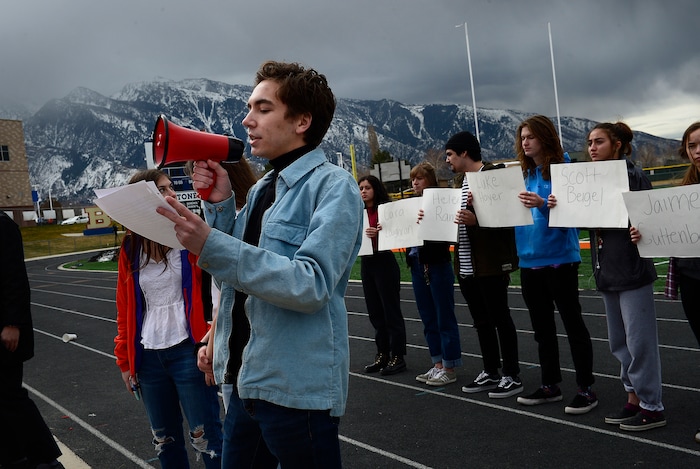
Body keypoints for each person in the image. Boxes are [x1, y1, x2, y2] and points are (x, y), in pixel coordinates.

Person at [157, 61, 363, 468]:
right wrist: (219, 207)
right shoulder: (264, 188)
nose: (247, 120)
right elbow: (235, 272)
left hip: (296, 391)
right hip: (247, 381)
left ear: (302, 120)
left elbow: (311, 285)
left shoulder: (335, 187)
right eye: (250, 107)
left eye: (263, 109)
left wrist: (211, 242)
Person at [114, 169, 223, 468]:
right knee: (165, 443)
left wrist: (211, 345)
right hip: (148, 358)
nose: (172, 194)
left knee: (208, 439)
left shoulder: (190, 239)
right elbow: (125, 310)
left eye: (171, 187)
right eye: (163, 189)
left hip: (189, 351)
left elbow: (216, 295)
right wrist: (125, 361)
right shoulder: (131, 248)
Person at [512, 115, 597, 415]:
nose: (525, 142)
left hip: (560, 259)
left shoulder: (565, 170)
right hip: (529, 261)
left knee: (573, 325)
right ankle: (550, 384)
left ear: (545, 137)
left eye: (531, 136)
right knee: (542, 329)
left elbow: (575, 214)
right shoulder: (522, 175)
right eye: (522, 137)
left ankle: (586, 388)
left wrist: (543, 205)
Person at [585, 121, 664, 431]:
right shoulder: (588, 181)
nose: (592, 147)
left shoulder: (635, 177)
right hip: (608, 271)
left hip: (633, 271)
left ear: (617, 145)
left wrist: (643, 231)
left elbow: (654, 222)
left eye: (599, 142)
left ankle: (652, 406)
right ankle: (633, 397)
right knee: (619, 342)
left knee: (639, 341)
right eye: (590, 142)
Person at [444, 131, 522, 399]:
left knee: (501, 318)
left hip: (489, 263)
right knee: (481, 322)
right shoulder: (458, 183)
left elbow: (507, 217)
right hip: (466, 266)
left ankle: (511, 374)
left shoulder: (493, 177)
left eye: (450, 155)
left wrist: (476, 221)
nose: (447, 161)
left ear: (465, 152)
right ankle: (491, 370)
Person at [0, 212, 64, 469]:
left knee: (9, 397)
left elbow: (14, 277)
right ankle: (13, 457)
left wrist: (12, 324)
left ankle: (46, 458)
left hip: (5, 332)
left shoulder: (2, 225)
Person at [410, 162, 463, 386]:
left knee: (443, 316)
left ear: (429, 181)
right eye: (413, 179)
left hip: (437, 263)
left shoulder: (442, 201)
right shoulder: (410, 204)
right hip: (416, 263)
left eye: (419, 178)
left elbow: (448, 232)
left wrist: (429, 217)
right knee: (428, 316)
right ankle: (437, 364)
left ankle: (449, 366)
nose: (414, 183)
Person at [664, 122, 700, 442]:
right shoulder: (683, 190)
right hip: (691, 278)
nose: (697, 151)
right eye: (691, 146)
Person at [358, 175, 407, 375]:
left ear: (376, 189)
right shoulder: (357, 212)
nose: (363, 191)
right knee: (375, 312)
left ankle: (398, 356)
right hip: (367, 262)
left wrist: (382, 231)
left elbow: (400, 232)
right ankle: (382, 353)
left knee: (390, 311)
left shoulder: (386, 210)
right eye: (360, 188)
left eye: (367, 187)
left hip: (384, 260)